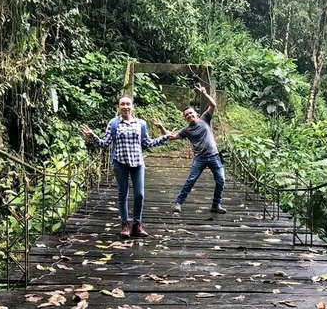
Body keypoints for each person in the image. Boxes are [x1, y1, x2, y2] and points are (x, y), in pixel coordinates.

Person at [82, 94, 172, 238]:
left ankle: (137, 224)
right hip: (120, 163)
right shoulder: (114, 123)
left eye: (128, 104)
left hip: (137, 163)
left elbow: (147, 143)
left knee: (139, 194)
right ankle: (125, 224)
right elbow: (105, 144)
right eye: (122, 104)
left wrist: (164, 137)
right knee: (122, 194)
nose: (125, 107)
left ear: (132, 106)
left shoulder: (141, 123)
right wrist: (93, 136)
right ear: (118, 107)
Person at [155, 85, 226, 214]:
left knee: (221, 180)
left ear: (196, 113)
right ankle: (178, 203)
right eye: (187, 115)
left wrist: (204, 94)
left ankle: (216, 204)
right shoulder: (186, 130)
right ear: (185, 118)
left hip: (214, 156)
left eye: (191, 113)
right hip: (200, 158)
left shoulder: (205, 118)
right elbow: (171, 137)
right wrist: (161, 128)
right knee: (191, 180)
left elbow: (213, 105)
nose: (189, 115)